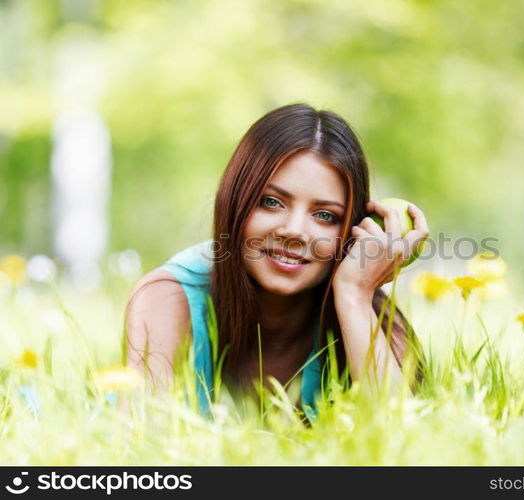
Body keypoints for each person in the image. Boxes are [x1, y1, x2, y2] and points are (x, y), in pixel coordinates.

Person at [124, 103, 429, 422]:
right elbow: (142, 449)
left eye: (325, 215)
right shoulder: (168, 298)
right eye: (271, 202)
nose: (293, 231)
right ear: (235, 200)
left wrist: (354, 295)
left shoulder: (367, 314)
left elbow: (401, 444)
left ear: (351, 233)